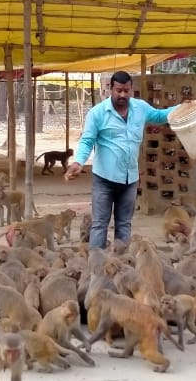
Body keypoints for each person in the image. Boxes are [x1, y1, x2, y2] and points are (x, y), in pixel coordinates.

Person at [64, 71, 183, 248]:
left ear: (131, 90)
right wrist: (78, 162)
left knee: (124, 225)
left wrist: (182, 108)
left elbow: (159, 116)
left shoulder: (140, 108)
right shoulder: (97, 113)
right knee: (99, 225)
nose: (122, 95)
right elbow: (87, 140)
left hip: (130, 179)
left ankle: (121, 267)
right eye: (119, 90)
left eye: (126, 90)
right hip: (104, 179)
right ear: (110, 89)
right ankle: (96, 269)